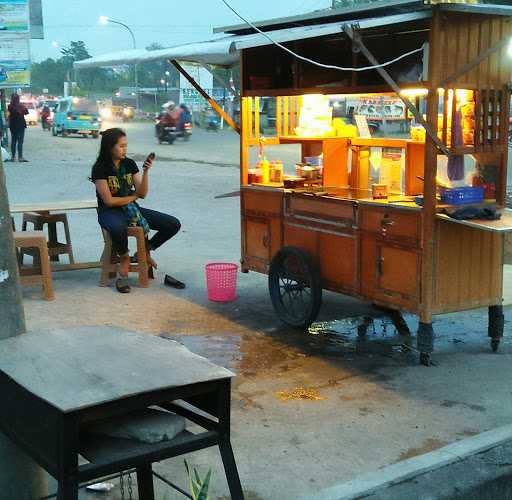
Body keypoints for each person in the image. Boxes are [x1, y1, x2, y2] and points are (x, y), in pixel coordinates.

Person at [91, 128, 183, 293]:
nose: (124, 149)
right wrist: (132, 197)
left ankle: (146, 249)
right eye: (121, 146)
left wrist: (146, 171)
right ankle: (124, 257)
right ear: (109, 147)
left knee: (172, 224)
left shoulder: (129, 164)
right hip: (108, 212)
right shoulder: (100, 168)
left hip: (132, 209)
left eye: (126, 146)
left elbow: (142, 193)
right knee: (117, 227)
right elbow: (109, 201)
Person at [6, 93, 28, 162]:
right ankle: (20, 157)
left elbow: (10, 112)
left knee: (14, 141)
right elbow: (26, 112)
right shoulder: (21, 106)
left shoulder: (10, 106)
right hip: (21, 126)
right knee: (20, 142)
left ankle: (13, 157)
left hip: (13, 126)